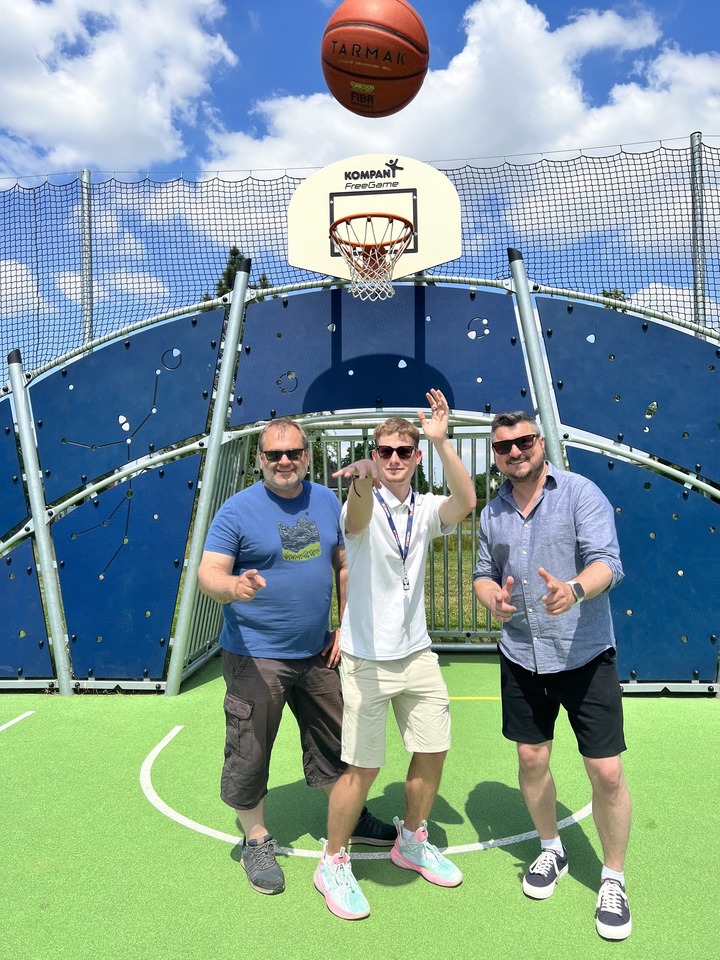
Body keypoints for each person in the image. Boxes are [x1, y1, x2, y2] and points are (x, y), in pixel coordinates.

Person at [197, 418, 395, 898]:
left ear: (307, 456)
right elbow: (208, 573)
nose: (284, 461)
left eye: (293, 453)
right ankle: (256, 838)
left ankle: (349, 815)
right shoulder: (237, 510)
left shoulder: (326, 500)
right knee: (250, 748)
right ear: (260, 460)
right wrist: (234, 587)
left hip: (316, 651)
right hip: (255, 655)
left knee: (338, 740)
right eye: (274, 454)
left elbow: (343, 564)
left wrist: (345, 625)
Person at [313, 389, 477, 920]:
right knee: (363, 768)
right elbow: (357, 519)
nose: (394, 459)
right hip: (366, 659)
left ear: (416, 457)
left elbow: (467, 501)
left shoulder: (426, 508)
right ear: (374, 455)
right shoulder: (361, 502)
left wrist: (443, 441)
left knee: (434, 749)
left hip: (417, 654)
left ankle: (411, 840)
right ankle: (333, 861)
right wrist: (361, 480)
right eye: (384, 451)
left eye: (404, 451)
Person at [473, 411, 632, 941]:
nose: (515, 452)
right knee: (530, 758)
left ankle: (613, 878)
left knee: (606, 772)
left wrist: (575, 589)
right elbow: (482, 574)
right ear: (495, 455)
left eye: (523, 441)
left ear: (540, 442)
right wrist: (491, 599)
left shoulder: (580, 493)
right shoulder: (492, 512)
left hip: (583, 653)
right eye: (503, 446)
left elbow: (608, 563)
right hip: (522, 652)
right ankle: (551, 850)